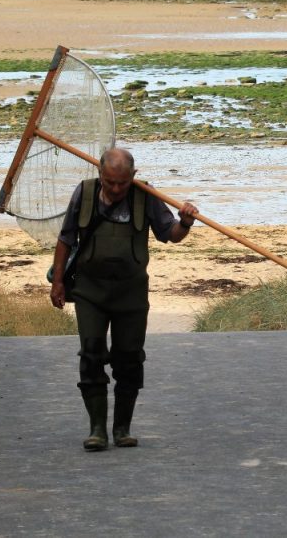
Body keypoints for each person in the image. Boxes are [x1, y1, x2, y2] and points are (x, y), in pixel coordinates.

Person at [49, 147, 198, 451]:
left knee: (129, 358)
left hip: (131, 292)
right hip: (91, 290)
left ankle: (122, 429)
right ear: (100, 175)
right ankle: (96, 431)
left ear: (133, 176)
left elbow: (169, 234)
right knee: (91, 354)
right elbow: (66, 238)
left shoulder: (145, 196)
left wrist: (185, 222)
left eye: (122, 183)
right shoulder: (85, 193)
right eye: (109, 182)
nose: (116, 189)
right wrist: (59, 282)